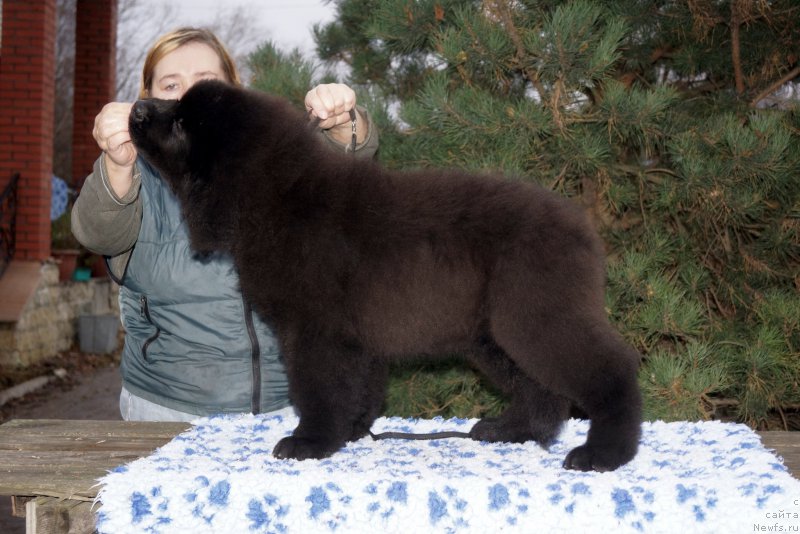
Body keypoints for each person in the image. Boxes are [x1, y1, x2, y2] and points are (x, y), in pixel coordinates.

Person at [71, 27, 379, 422]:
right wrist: (115, 165)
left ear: (233, 91)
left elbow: (345, 191)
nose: (185, 96)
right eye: (170, 84)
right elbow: (97, 232)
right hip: (167, 412)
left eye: (205, 82)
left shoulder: (270, 158)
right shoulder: (134, 171)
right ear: (145, 97)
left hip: (287, 409)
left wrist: (343, 124)